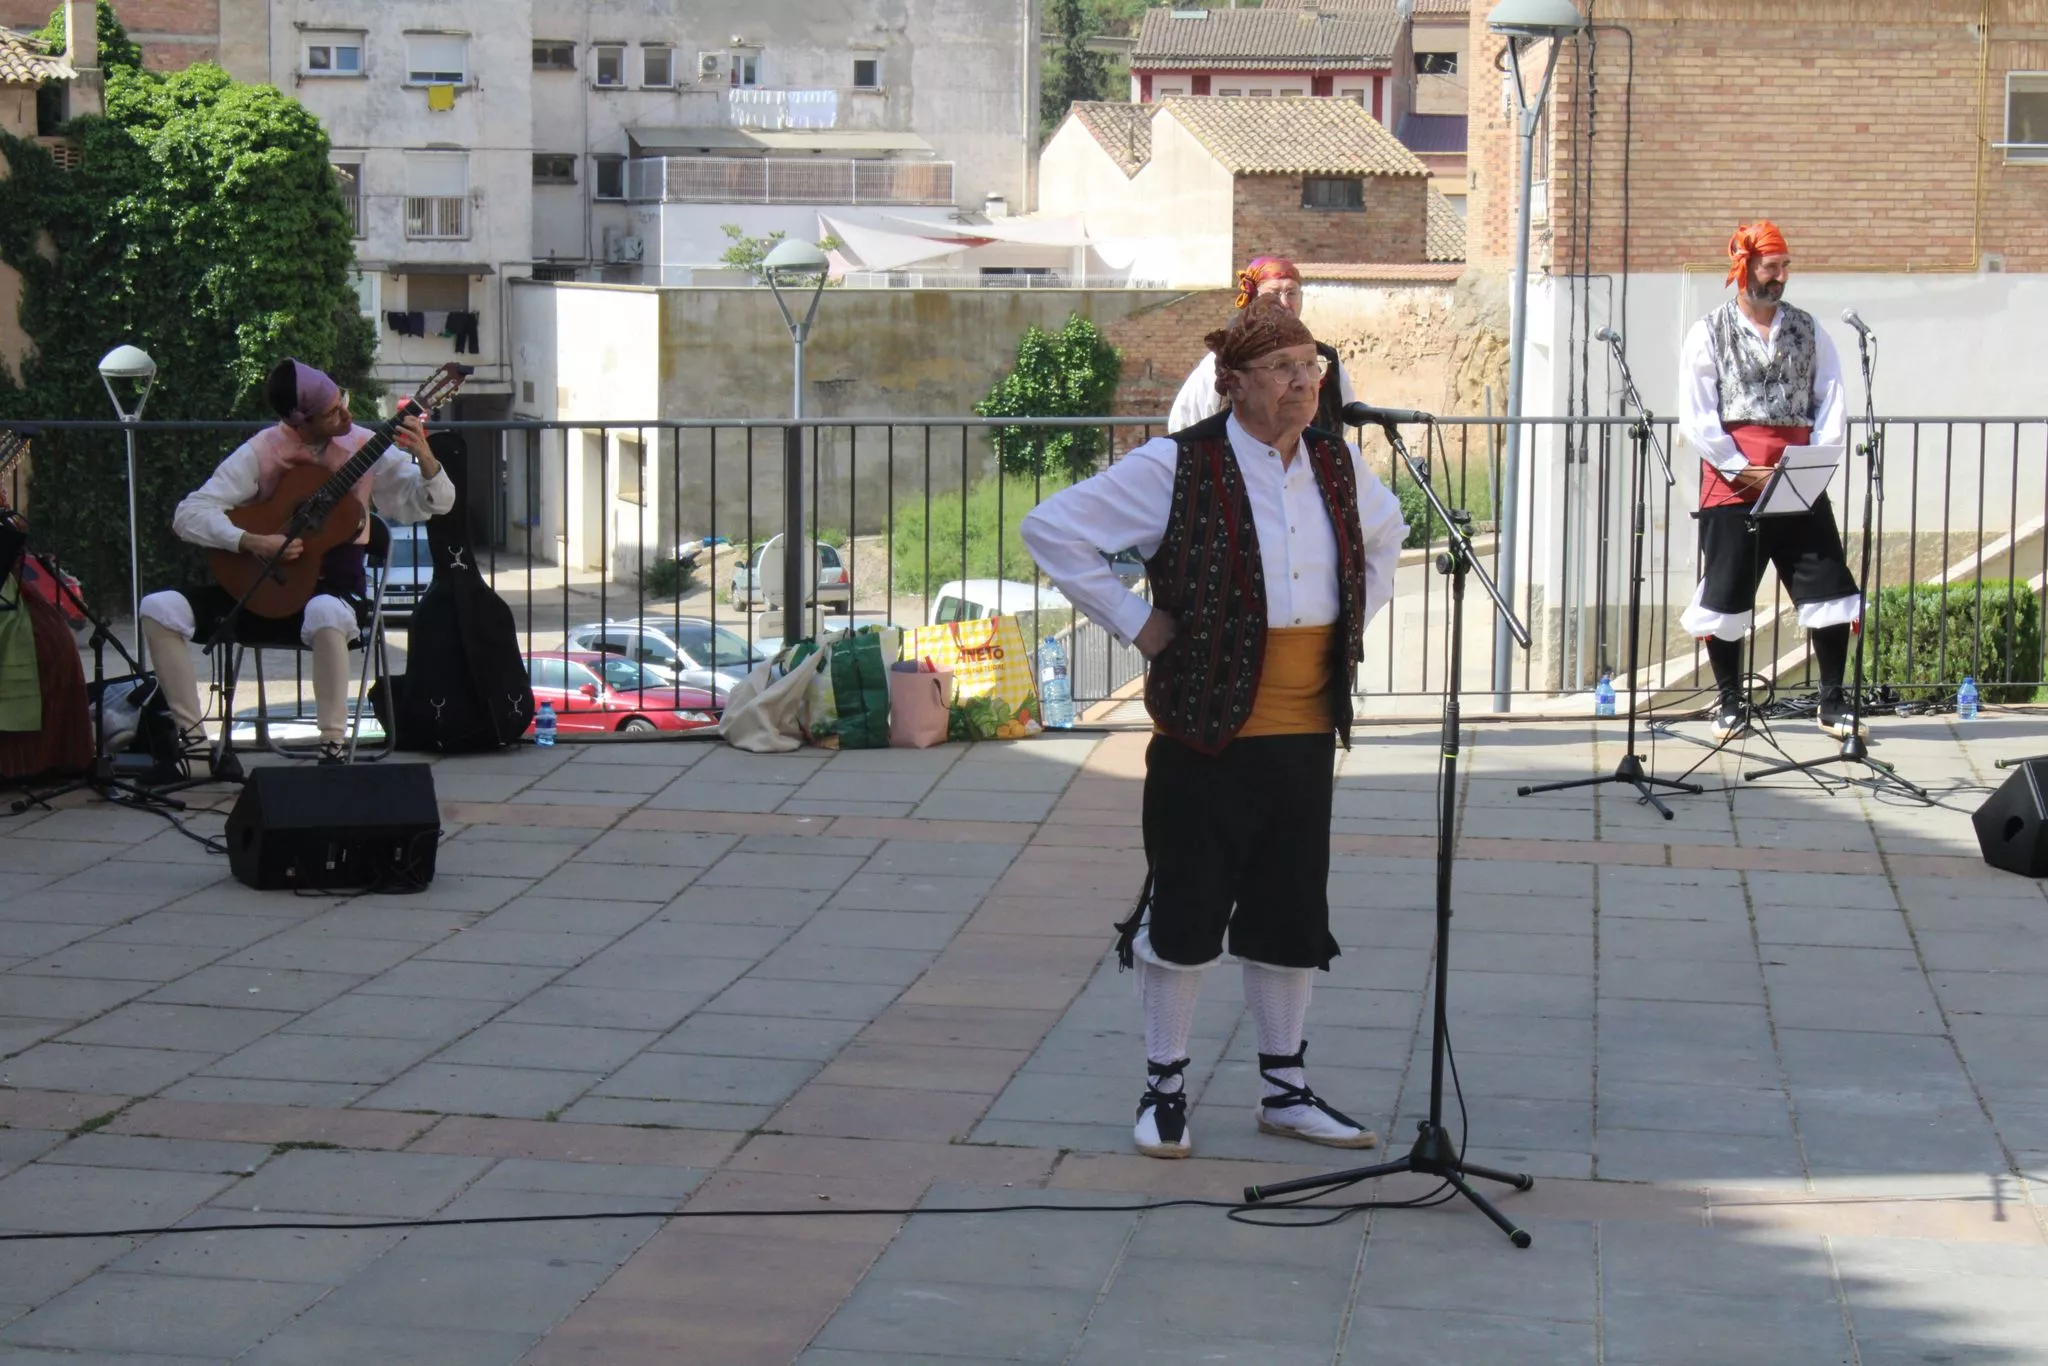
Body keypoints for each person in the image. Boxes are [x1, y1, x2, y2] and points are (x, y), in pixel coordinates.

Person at [1021, 298, 1407, 1159]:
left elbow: (1387, 537)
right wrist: (1135, 621)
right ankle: (1164, 1089)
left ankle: (1286, 1090)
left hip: (1306, 728)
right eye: (1283, 369)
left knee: (1290, 913)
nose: (1304, 384)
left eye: (1312, 368)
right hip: (1206, 732)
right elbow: (1052, 529)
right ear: (1233, 383)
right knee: (1186, 913)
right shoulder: (1177, 464)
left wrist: (1351, 626)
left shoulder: (1336, 462)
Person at [138, 358, 450, 763]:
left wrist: (426, 459)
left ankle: (332, 748)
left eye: (342, 401)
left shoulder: (363, 445)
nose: (347, 415)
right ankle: (194, 748)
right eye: (332, 412)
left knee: (324, 612)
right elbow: (189, 513)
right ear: (299, 422)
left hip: (335, 593)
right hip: (260, 592)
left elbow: (434, 503)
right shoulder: (263, 450)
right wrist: (252, 541)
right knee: (158, 608)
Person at [1677, 221, 1861, 742]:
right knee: (1727, 591)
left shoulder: (1809, 328)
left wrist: (1814, 458)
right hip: (1733, 484)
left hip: (1797, 480)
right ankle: (1729, 702)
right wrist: (1741, 467)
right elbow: (1697, 415)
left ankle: (1832, 702)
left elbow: (1831, 396)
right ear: (1744, 269)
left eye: (1785, 267)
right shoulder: (1708, 332)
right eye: (1770, 267)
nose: (1779, 276)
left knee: (1827, 584)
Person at [1168, 256, 1357, 434]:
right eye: (1274, 293)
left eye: (1291, 293)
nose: (1284, 303)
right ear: (1252, 300)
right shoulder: (1225, 359)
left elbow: (1342, 417)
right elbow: (1185, 422)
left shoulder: (1326, 359)